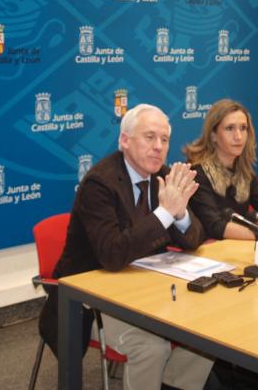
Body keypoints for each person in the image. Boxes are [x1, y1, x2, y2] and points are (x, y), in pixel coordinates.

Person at [38, 104, 213, 390]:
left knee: (210, 333)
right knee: (151, 348)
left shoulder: (164, 177)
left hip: (145, 290)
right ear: (124, 141)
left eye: (165, 140)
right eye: (149, 137)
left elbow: (194, 238)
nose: (158, 147)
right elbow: (113, 254)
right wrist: (165, 213)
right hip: (86, 300)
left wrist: (180, 214)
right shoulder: (100, 184)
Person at [184, 99, 258, 240]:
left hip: (237, 247)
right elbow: (215, 226)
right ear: (214, 135)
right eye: (230, 128)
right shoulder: (197, 173)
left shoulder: (242, 169)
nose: (239, 136)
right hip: (208, 252)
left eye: (243, 128)